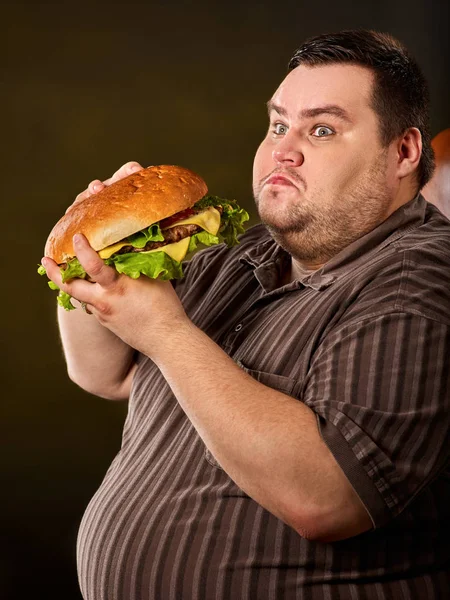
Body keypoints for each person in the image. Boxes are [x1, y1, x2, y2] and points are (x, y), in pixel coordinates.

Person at [42, 29, 450, 600]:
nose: (284, 148)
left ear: (403, 152)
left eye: (323, 129)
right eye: (279, 124)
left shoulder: (420, 282)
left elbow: (328, 500)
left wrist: (165, 331)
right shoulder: (246, 254)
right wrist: (91, 263)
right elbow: (105, 374)